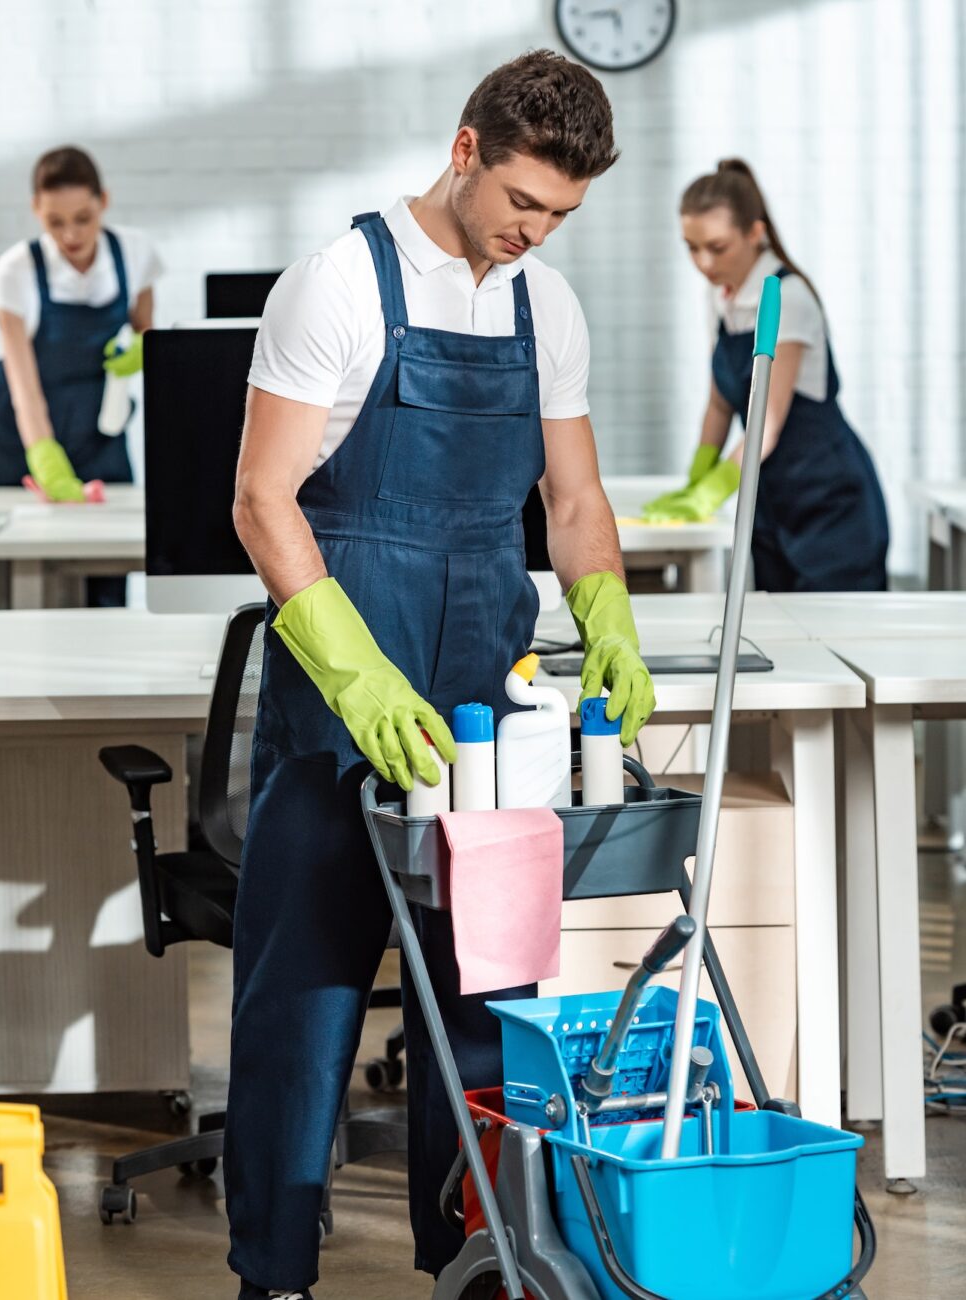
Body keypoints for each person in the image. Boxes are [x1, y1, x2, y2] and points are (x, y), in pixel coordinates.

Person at [226, 49, 656, 1300]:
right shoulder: (338, 284)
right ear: (467, 149)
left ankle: (471, 1259)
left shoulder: (546, 308)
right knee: (304, 999)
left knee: (485, 998)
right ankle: (274, 1274)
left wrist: (607, 615)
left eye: (562, 214)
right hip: (343, 681)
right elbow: (262, 499)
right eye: (524, 200)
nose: (535, 231)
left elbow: (570, 505)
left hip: (487, 694)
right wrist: (356, 679)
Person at [644, 158, 889, 592]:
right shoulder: (720, 297)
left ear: (754, 233)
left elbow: (766, 423)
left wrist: (710, 494)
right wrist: (696, 478)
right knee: (777, 637)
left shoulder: (786, 297)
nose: (702, 262)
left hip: (829, 503)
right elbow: (720, 402)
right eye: (691, 246)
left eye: (716, 248)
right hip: (770, 498)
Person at [0, 145, 160, 604]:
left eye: (83, 217)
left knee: (106, 573)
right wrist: (44, 456)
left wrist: (143, 350)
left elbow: (147, 334)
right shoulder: (15, 271)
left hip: (97, 430)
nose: (71, 234)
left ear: (104, 202)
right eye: (55, 221)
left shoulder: (134, 253)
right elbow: (22, 383)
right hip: (18, 436)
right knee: (2, 578)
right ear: (36, 208)